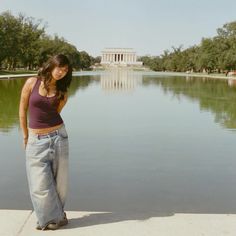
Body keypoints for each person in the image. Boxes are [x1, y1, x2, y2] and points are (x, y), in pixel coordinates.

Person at [19, 54, 72, 230]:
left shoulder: (62, 92)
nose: (61, 72)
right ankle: (51, 219)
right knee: (39, 185)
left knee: (60, 184)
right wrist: (25, 136)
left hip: (58, 137)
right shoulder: (31, 83)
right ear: (51, 66)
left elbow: (55, 113)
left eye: (65, 70)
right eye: (59, 67)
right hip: (36, 139)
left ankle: (56, 218)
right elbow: (22, 108)